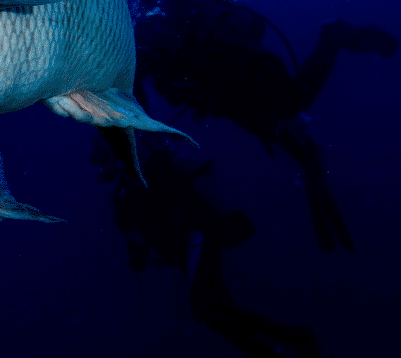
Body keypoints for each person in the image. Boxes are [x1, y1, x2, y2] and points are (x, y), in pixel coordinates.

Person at [132, 0, 397, 252]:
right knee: (290, 136)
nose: (151, 28)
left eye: (156, 21)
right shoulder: (152, 47)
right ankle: (311, 171)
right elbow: (133, 82)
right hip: (223, 93)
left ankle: (333, 37)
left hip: (245, 75)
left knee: (295, 104)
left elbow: (263, 64)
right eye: (147, 25)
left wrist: (284, 110)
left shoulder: (208, 34)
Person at [92, 132, 323, 358]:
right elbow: (140, 245)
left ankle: (291, 340)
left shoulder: (134, 183)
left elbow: (141, 245)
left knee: (208, 310)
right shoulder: (131, 185)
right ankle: (292, 339)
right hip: (190, 243)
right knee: (218, 311)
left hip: (195, 238)